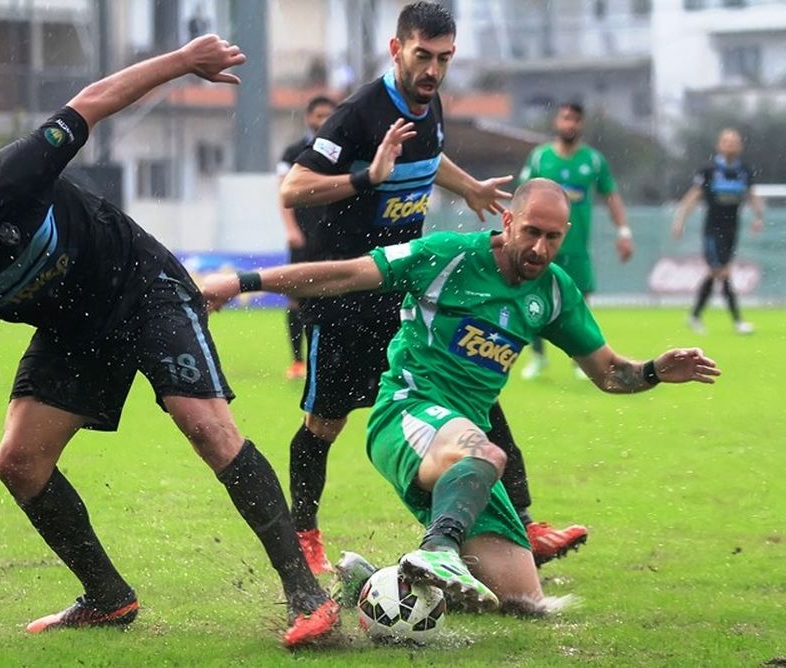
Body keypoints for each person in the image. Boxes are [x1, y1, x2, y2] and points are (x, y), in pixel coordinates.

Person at [0, 35, 338, 647]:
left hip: (144, 288)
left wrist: (182, 63)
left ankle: (305, 594)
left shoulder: (11, 178)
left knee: (204, 426)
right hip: (73, 330)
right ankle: (107, 597)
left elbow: (91, 102)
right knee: (17, 462)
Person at [202, 178, 720, 612]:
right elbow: (345, 274)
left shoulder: (554, 291)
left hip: (463, 458)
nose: (540, 248)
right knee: (485, 450)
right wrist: (242, 282)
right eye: (533, 232)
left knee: (523, 602)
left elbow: (609, 373)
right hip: (405, 415)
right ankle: (439, 548)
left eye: (553, 238)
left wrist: (652, 371)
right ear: (509, 222)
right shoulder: (446, 256)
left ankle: (373, 585)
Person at [279, 1, 579, 574]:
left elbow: (430, 154)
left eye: (444, 58)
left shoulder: (429, 101)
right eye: (423, 56)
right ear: (397, 49)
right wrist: (368, 176)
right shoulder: (358, 114)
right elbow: (295, 188)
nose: (433, 70)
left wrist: (467, 188)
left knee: (473, 394)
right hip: (347, 295)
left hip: (408, 295)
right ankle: (304, 533)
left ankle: (523, 521)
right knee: (324, 422)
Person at [518, 101, 633, 380]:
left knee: (579, 305)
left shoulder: (593, 160)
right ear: (558, 122)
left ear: (581, 125)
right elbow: (522, 195)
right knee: (530, 299)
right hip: (540, 246)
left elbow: (611, 196)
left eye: (575, 120)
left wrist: (624, 232)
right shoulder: (539, 157)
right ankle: (537, 357)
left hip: (577, 248)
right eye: (565, 118)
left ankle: (581, 362)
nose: (570, 124)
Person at [672, 128, 765, 334]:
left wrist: (759, 217)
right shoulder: (709, 171)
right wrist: (679, 221)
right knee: (722, 272)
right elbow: (692, 197)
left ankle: (695, 316)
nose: (730, 145)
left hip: (732, 231)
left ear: (740, 146)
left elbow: (752, 196)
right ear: (719, 145)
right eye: (726, 141)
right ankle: (738, 321)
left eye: (734, 141)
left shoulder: (744, 172)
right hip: (712, 231)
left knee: (716, 273)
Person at [276, 95, 337, 380]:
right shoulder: (293, 152)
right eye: (319, 116)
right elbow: (282, 192)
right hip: (303, 235)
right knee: (296, 298)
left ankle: (321, 362)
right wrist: (291, 229)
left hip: (331, 237)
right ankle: (297, 361)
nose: (323, 121)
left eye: (329, 116)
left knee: (327, 298)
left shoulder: (342, 150)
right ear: (308, 118)